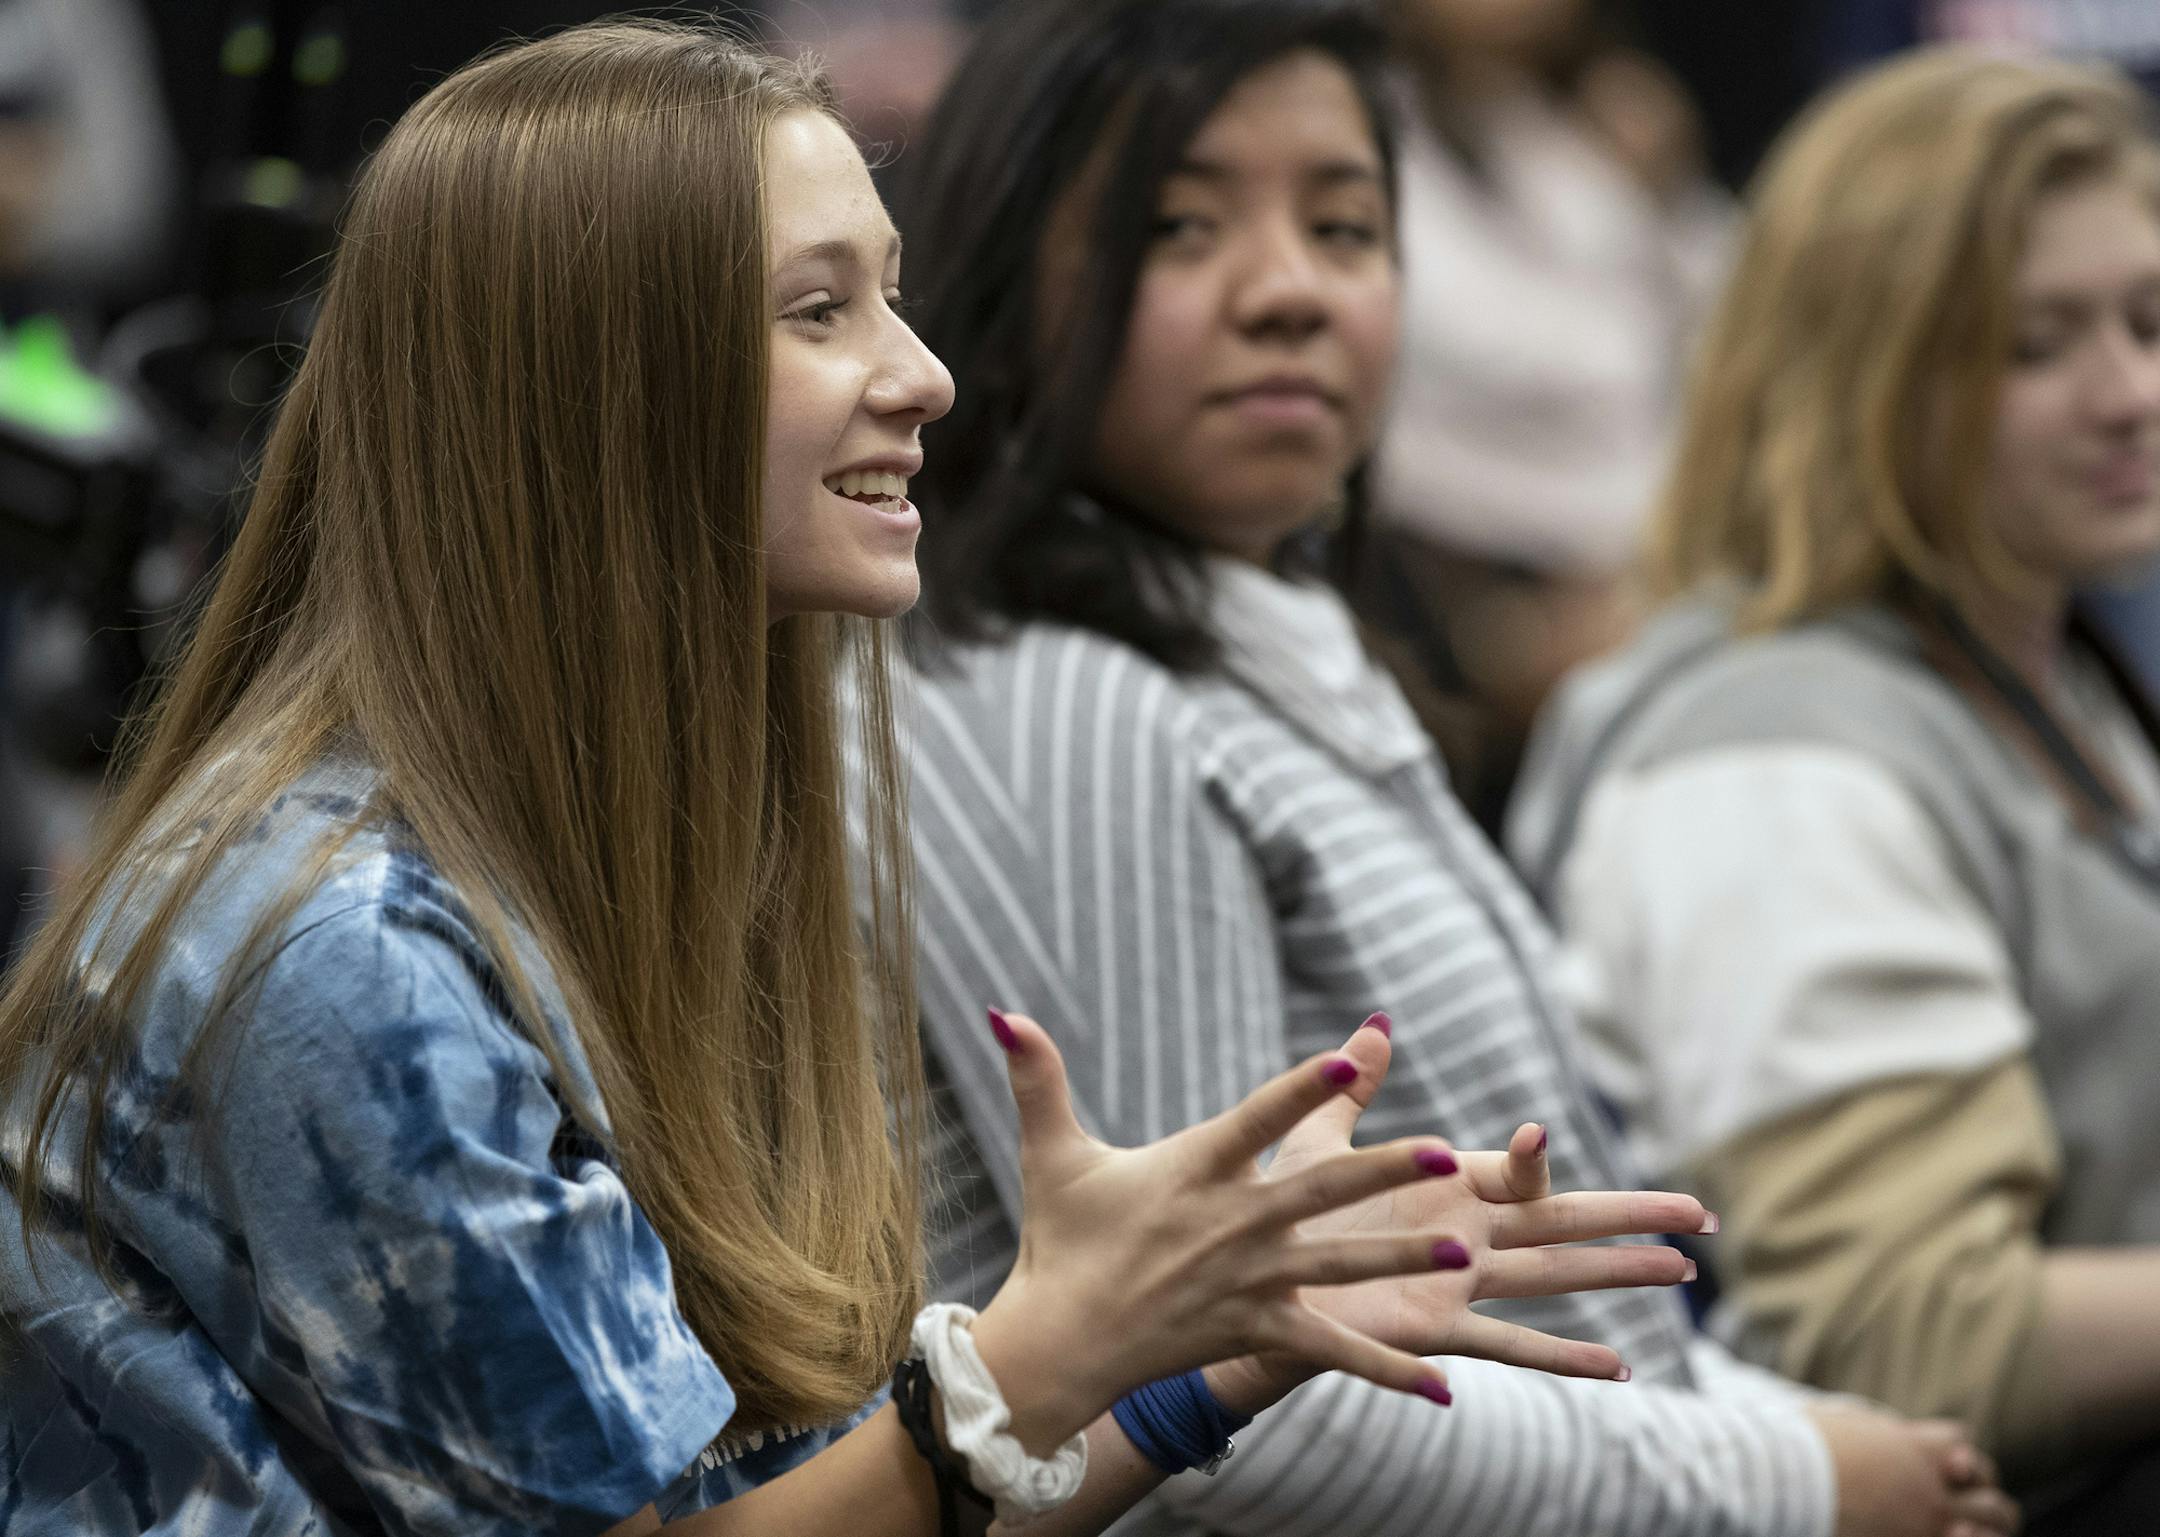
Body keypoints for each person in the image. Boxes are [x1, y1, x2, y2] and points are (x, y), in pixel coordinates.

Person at [0, 20, 1719, 1536]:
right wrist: (1062, 1342)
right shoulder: (342, 951)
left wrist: (1211, 1343)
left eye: (891, 297)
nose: (924, 375)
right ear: (598, 393)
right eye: (822, 311)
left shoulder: (639, 853)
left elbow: (815, 1494)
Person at [893, 2, 2015, 1534]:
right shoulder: (1054, 696)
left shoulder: (1268, 637)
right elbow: (1213, 1411)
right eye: (1179, 225)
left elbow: (1581, 1309)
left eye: (1346, 226)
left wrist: (1803, 1435)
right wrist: (1792, 1481)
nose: (1290, 290)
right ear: (1007, 265)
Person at [1509, 47, 2160, 1524]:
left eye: (2149, 319)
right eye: (2038, 342)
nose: (2131, 392)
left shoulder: (2034, 653)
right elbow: (1914, 1338)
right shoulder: (1769, 761)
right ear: (1863, 364)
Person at [1353, 0, 1732, 824]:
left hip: (1666, 590)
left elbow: (1737, 323)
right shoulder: (1346, 132)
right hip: (1461, 626)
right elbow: (1513, 351)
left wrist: (1663, 193)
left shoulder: (1565, 128)